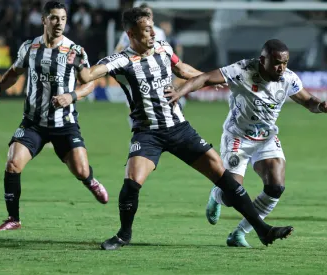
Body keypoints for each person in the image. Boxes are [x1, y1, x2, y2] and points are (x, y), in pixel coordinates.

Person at [72, 8, 294, 250]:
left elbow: (182, 69)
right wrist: (79, 59)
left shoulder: (163, 48)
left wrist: (208, 78)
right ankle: (124, 235)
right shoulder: (121, 60)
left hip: (179, 128)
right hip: (148, 133)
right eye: (146, 30)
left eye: (152, 27)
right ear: (131, 34)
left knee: (224, 177)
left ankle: (263, 231)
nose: (152, 33)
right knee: (132, 182)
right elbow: (88, 75)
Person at [167, 39, 327, 247]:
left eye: (285, 63)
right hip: (238, 137)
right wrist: (179, 92)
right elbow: (204, 78)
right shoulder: (243, 70)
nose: (281, 68)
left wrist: (321, 106)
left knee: (276, 186)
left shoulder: (288, 78)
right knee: (231, 196)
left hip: (265, 138)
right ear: (262, 60)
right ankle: (217, 195)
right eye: (276, 63)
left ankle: (239, 233)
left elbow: (308, 101)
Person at [0, 1, 108, 231]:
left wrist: (71, 96)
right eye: (53, 18)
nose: (59, 22)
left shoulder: (74, 51)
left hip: (65, 124)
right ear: (44, 20)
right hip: (33, 123)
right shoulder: (29, 48)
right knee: (13, 163)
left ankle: (90, 180)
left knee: (81, 170)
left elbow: (89, 84)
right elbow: (15, 72)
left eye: (62, 18)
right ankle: (13, 219)